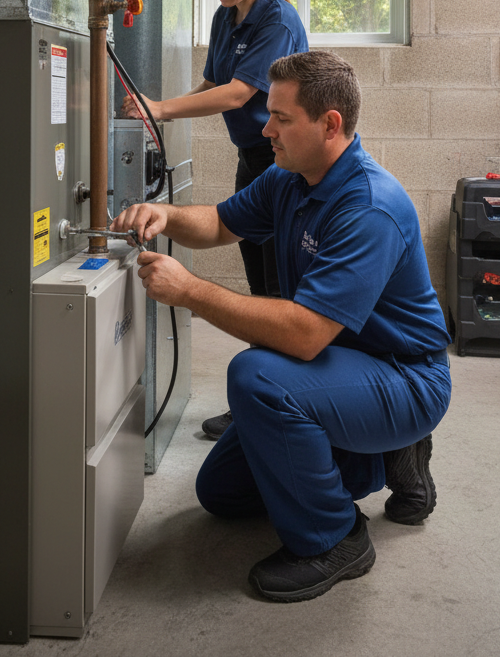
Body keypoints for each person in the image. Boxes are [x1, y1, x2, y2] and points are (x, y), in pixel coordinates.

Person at [111, 51, 452, 601]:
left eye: (281, 118)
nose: (265, 128)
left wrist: (190, 291)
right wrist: (168, 216)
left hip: (403, 376)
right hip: (340, 364)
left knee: (258, 376)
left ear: (330, 124)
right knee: (220, 492)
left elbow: (304, 333)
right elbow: (222, 222)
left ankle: (335, 538)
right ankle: (378, 455)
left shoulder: (367, 206)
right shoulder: (290, 177)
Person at [123, 0, 309, 439]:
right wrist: (159, 109)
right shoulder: (227, 16)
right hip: (253, 159)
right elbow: (213, 81)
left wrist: (159, 108)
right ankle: (259, 399)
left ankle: (275, 402)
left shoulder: (278, 20)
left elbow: (237, 94)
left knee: (278, 288)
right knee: (257, 278)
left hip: (284, 163)